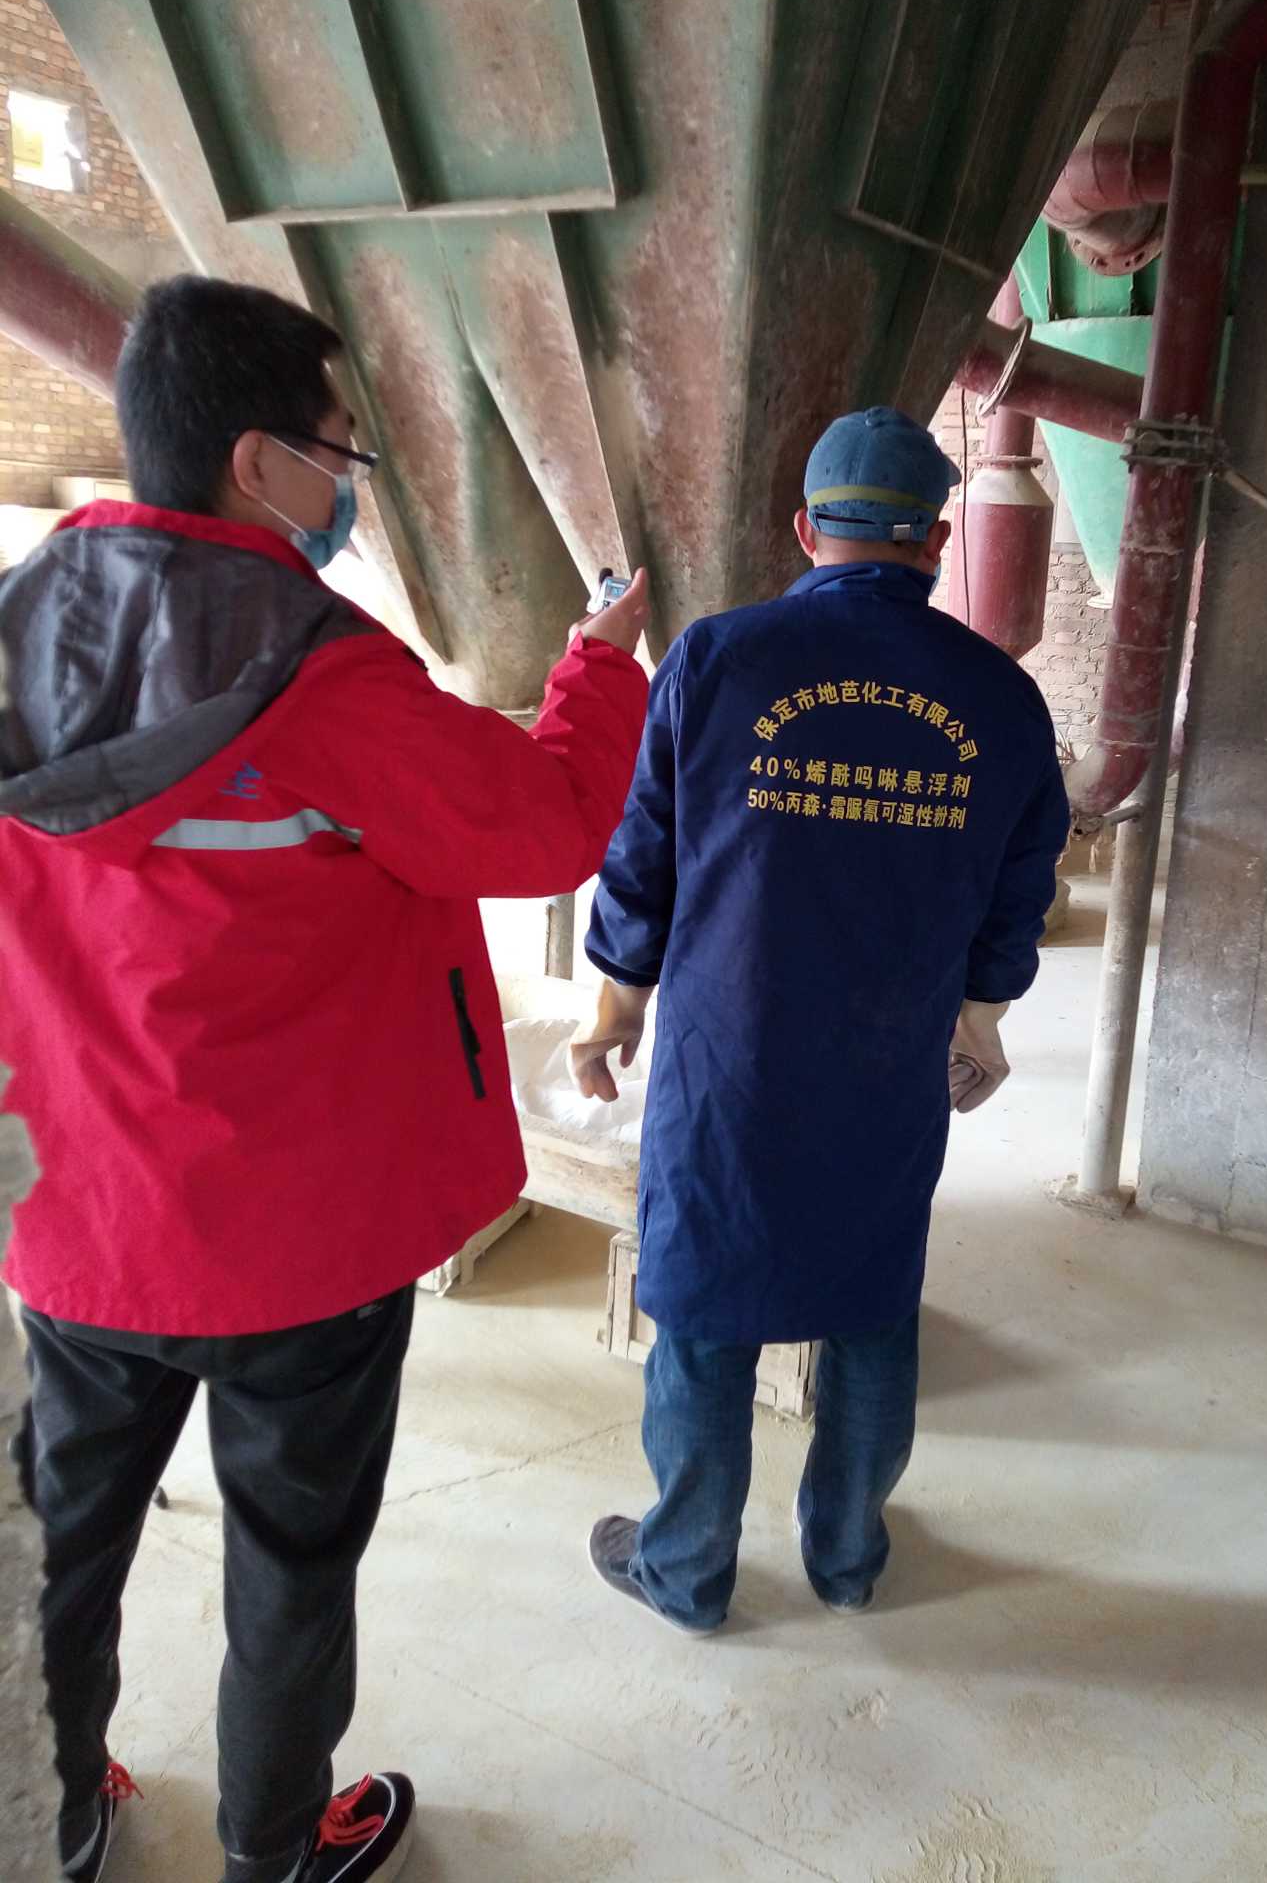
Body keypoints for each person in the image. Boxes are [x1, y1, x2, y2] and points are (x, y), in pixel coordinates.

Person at [0, 275, 650, 1883]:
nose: (350, 479)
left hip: (74, 1225)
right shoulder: (324, 681)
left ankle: (51, 1822)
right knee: (288, 1563)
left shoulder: (16, 636)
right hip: (298, 1251)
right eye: (339, 446)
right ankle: (278, 1853)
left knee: (58, 1553)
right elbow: (546, 827)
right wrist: (596, 667)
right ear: (256, 463)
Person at [570, 404, 1070, 1634]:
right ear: (937, 541)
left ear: (805, 529)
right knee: (870, 1297)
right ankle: (847, 1556)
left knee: (704, 1306)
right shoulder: (1001, 699)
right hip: (889, 1061)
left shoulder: (715, 660)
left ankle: (688, 1569)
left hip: (726, 1058)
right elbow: (1021, 888)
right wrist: (983, 1016)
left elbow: (644, 856)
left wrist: (615, 1001)